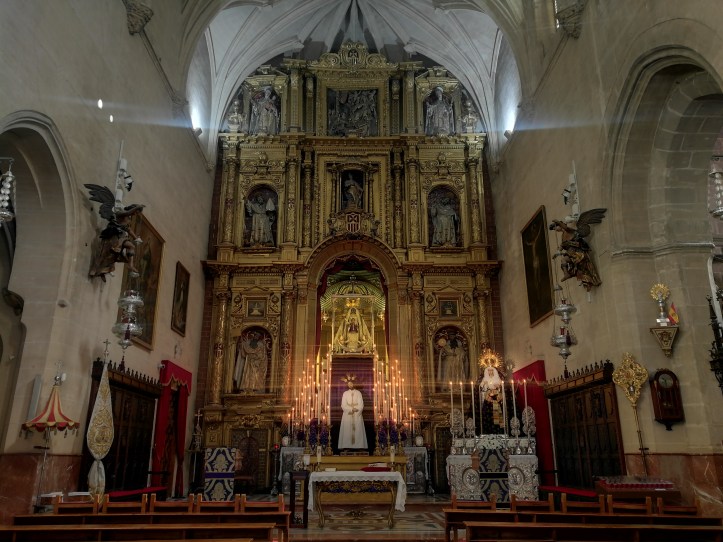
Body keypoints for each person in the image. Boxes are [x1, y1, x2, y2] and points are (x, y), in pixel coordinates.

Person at [338, 374, 368, 449]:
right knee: (347, 430)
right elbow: (343, 405)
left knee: (358, 430)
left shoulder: (358, 393)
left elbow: (361, 404)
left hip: (357, 414)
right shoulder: (345, 393)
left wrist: (356, 409)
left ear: (354, 383)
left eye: (351, 383)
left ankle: (359, 446)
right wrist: (351, 409)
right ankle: (347, 446)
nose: (350, 385)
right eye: (348, 384)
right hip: (348, 415)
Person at [480, 366, 505, 433]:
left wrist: (498, 386)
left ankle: (497, 430)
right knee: (488, 413)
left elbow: (501, 387)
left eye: (491, 370)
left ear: (494, 371)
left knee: (497, 411)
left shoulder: (497, 378)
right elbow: (482, 388)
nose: (490, 372)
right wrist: (484, 384)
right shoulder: (485, 378)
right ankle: (488, 430)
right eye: (489, 370)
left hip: (496, 397)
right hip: (488, 397)